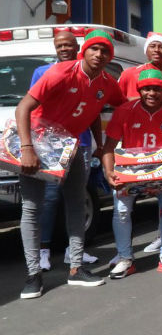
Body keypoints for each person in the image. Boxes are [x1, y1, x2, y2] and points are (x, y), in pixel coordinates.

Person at [15, 29, 126, 299]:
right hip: (39, 144)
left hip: (71, 147)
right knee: (32, 208)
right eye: (94, 49)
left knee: (76, 204)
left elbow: (112, 107)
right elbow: (22, 108)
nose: (99, 55)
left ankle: (76, 268)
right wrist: (27, 148)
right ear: (83, 51)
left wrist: (101, 146)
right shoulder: (60, 72)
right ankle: (33, 275)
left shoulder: (107, 82)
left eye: (105, 51)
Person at [102, 70, 162, 278]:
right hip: (131, 170)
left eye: (157, 89)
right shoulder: (124, 110)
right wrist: (109, 171)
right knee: (121, 211)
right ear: (139, 90)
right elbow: (109, 146)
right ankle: (125, 258)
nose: (152, 93)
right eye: (147, 88)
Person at [29, 30, 100, 270]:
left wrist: (98, 144)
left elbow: (94, 111)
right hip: (52, 146)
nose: (64, 49)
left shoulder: (88, 72)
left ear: (76, 46)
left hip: (81, 144)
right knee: (49, 198)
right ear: (55, 47)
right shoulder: (43, 72)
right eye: (59, 45)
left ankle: (74, 251)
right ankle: (43, 250)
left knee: (77, 200)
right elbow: (33, 108)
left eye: (68, 45)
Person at [118, 32, 162, 101]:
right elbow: (118, 101)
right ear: (146, 50)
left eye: (161, 47)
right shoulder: (129, 74)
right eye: (152, 46)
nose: (156, 50)